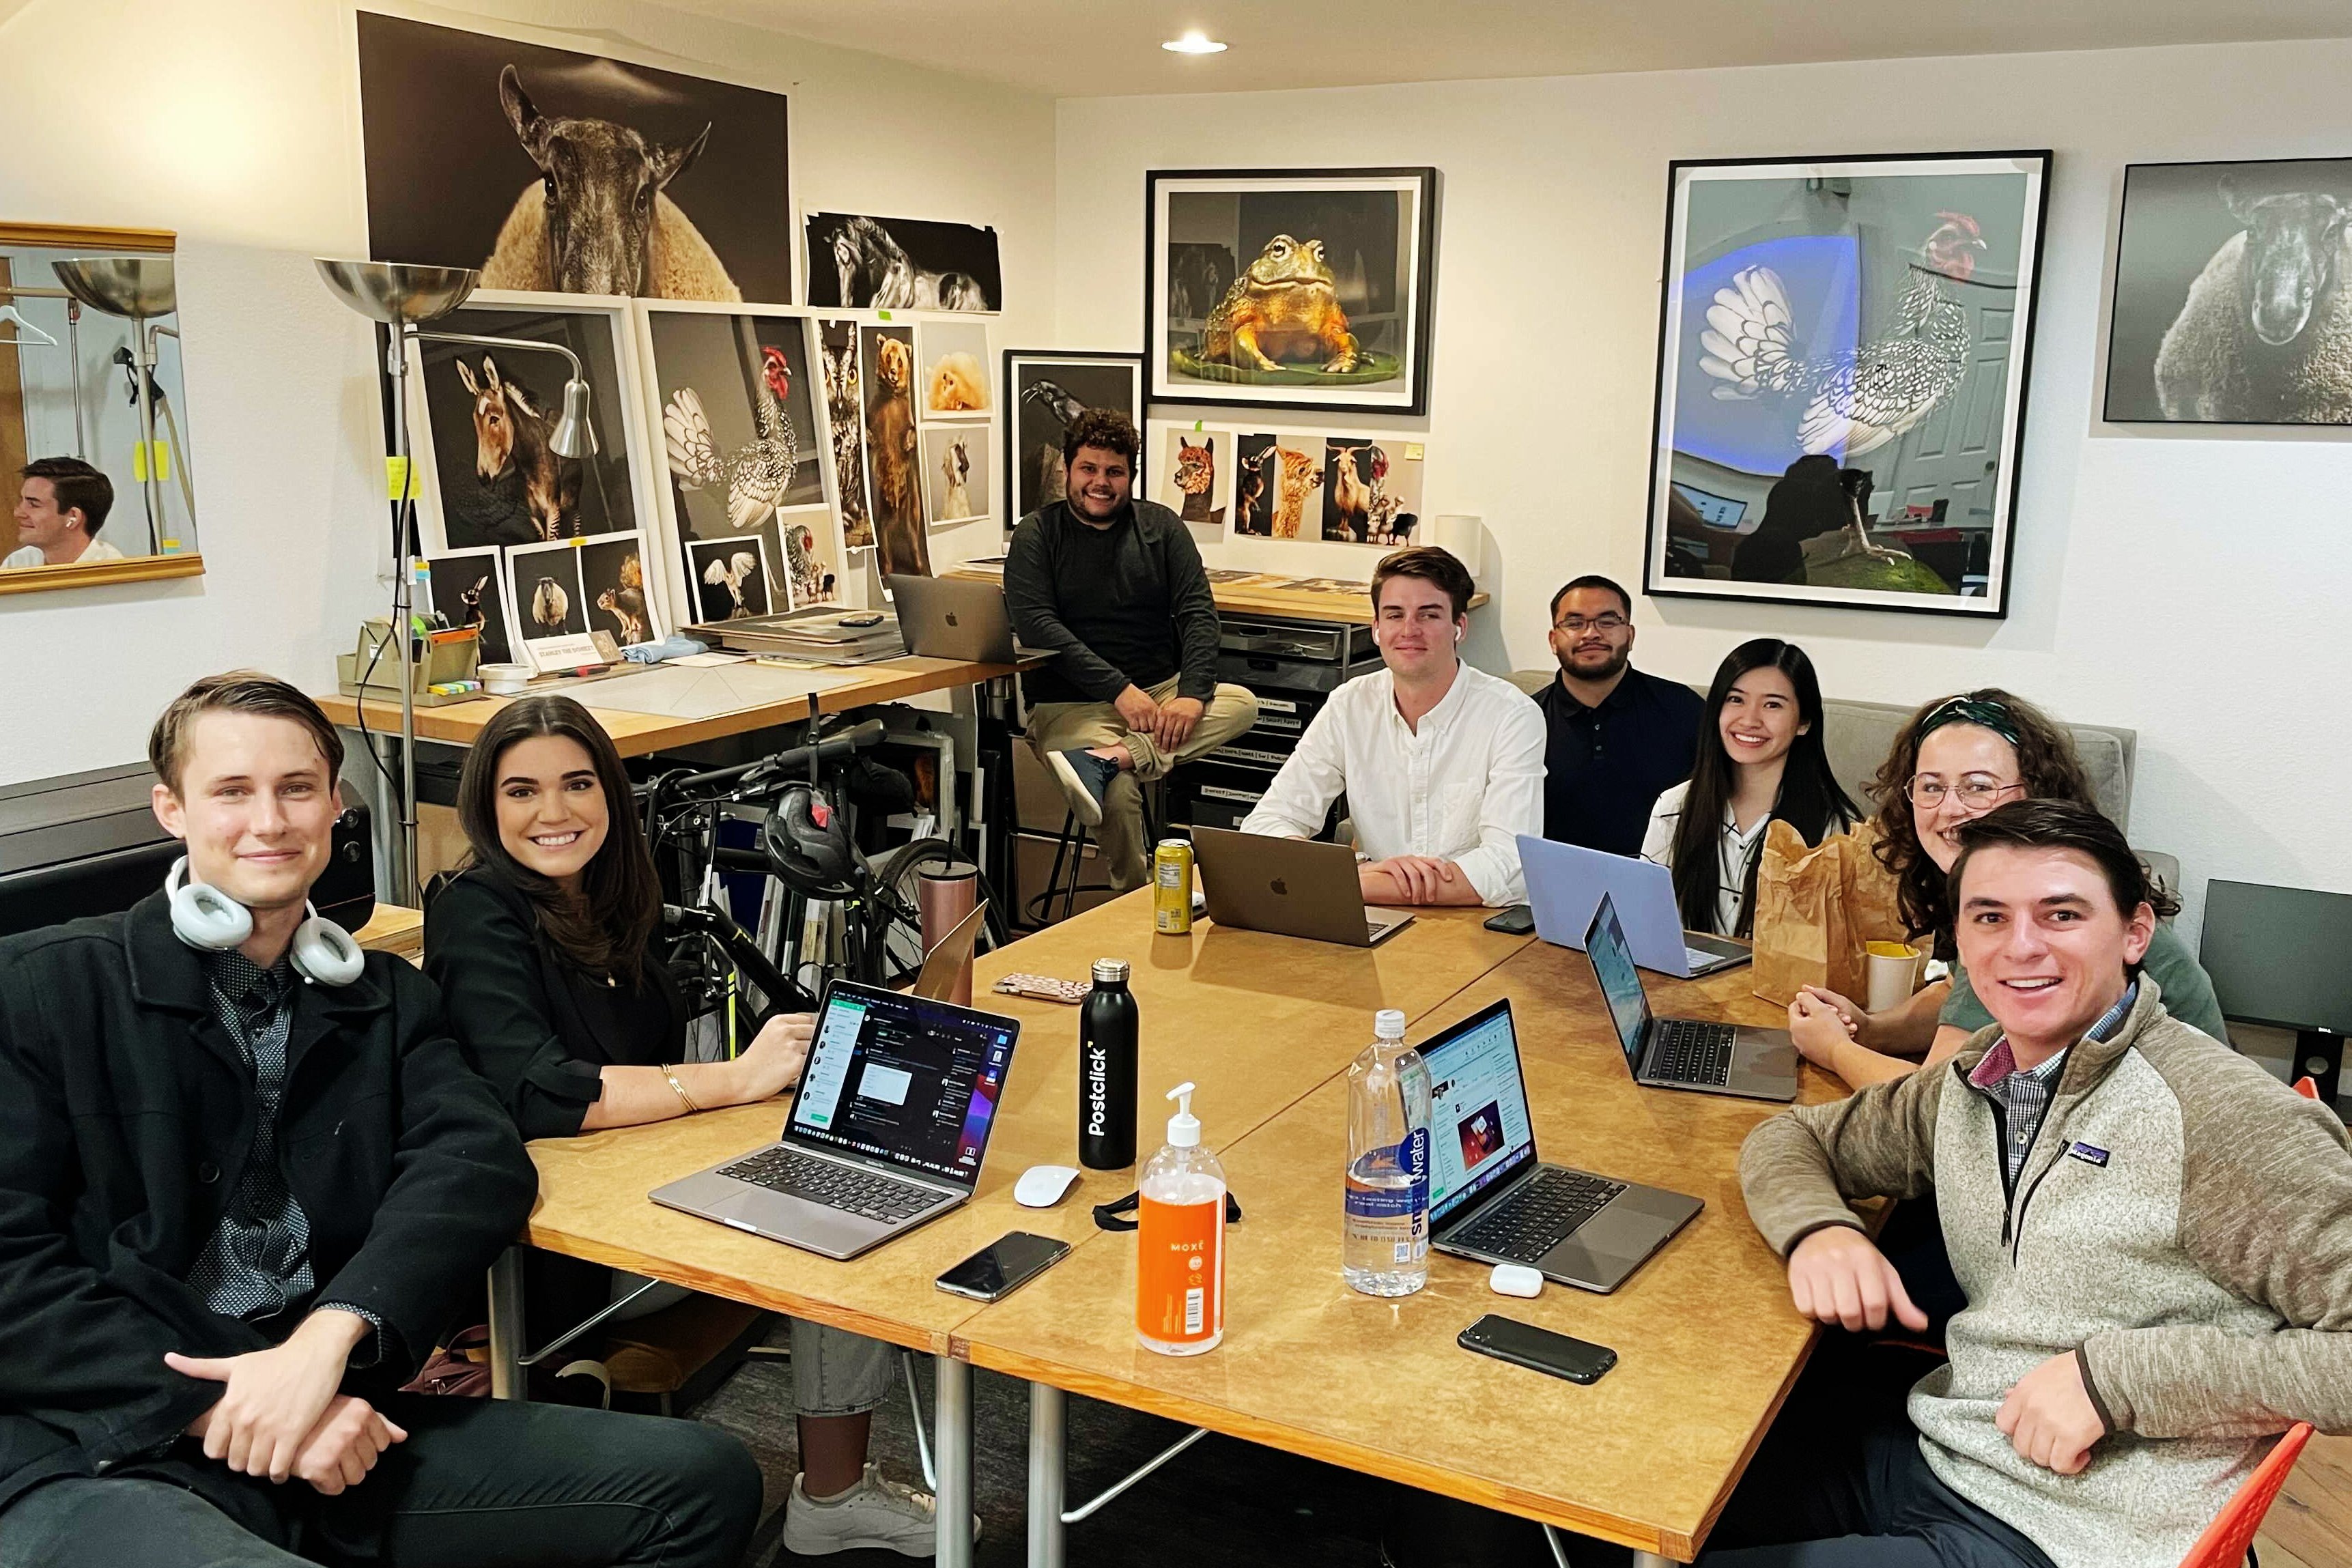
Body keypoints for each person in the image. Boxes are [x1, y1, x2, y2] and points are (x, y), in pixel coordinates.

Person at [0, 673, 759, 1568]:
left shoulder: (385, 999)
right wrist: (225, 1402)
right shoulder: (44, 987)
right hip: (96, 1448)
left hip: (328, 1413)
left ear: (335, 804)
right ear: (173, 809)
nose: (270, 821)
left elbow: (478, 1160)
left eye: (296, 788)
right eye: (232, 791)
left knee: (701, 1483)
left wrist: (327, 1341)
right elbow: (13, 1273)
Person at [1716, 799, 2352, 1568]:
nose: (2020, 945)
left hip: (2075, 1530)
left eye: (2061, 914)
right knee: (1651, 1500)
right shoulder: (1978, 1073)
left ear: (2134, 933)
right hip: (1956, 1445)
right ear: (1958, 941)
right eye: (1989, 916)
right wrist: (1819, 1229)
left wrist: (2118, 1380)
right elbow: (1792, 1137)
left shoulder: (2223, 1117)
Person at [424, 694, 964, 1558]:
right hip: (557, 1245)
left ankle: (832, 1495)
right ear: (487, 806)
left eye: (577, 783)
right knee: (831, 1216)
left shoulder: (612, 895)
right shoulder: (475, 908)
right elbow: (538, 1089)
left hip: (631, 1188)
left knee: (848, 1165)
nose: (554, 810)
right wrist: (731, 1079)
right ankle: (832, 1496)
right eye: (522, 790)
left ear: (610, 792)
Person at [1785, 689, 2226, 1087]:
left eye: (1978, 787)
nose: (1950, 807)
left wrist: (1834, 1049)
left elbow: (1940, 1104)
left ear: (2035, 792)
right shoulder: (1986, 881)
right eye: (1932, 786)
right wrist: (1870, 1029)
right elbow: (1959, 995)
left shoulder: (2038, 902)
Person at [1005, 409, 1258, 892]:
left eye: (1114, 471)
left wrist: (1191, 694)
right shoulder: (1036, 534)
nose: (1100, 482)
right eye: (1088, 468)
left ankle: (1111, 757)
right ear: (1067, 470)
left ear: (1131, 476)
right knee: (1118, 794)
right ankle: (1138, 902)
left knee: (1242, 704)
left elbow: (1198, 613)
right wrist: (1119, 691)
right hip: (1069, 705)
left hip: (1160, 693)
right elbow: (1038, 627)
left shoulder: (1161, 526)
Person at [1239, 546, 1544, 908]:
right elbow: (1267, 825)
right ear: (1376, 629)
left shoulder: (1512, 715)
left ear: (1459, 627)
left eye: (1429, 615)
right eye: (1395, 615)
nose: (1409, 630)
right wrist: (1356, 874)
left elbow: (1509, 866)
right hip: (1373, 914)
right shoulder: (1349, 704)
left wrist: (1354, 882)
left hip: (1473, 919)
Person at [1641, 638, 1856, 939]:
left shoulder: (1835, 831)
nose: (1749, 720)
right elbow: (1646, 922)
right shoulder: (1674, 808)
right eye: (1736, 700)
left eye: (1772, 705)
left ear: (1804, 722)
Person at [1533, 573, 1704, 855]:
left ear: (1630, 635)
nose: (1591, 634)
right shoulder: (1526, 720)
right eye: (1575, 623)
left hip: (1662, 875)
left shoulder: (1684, 709)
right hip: (1550, 876)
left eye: (1608, 621)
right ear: (1553, 640)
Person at [4, 456, 126, 568]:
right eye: (22, 501)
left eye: (34, 505)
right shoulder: (18, 563)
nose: (18, 513)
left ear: (73, 517)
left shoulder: (114, 573)